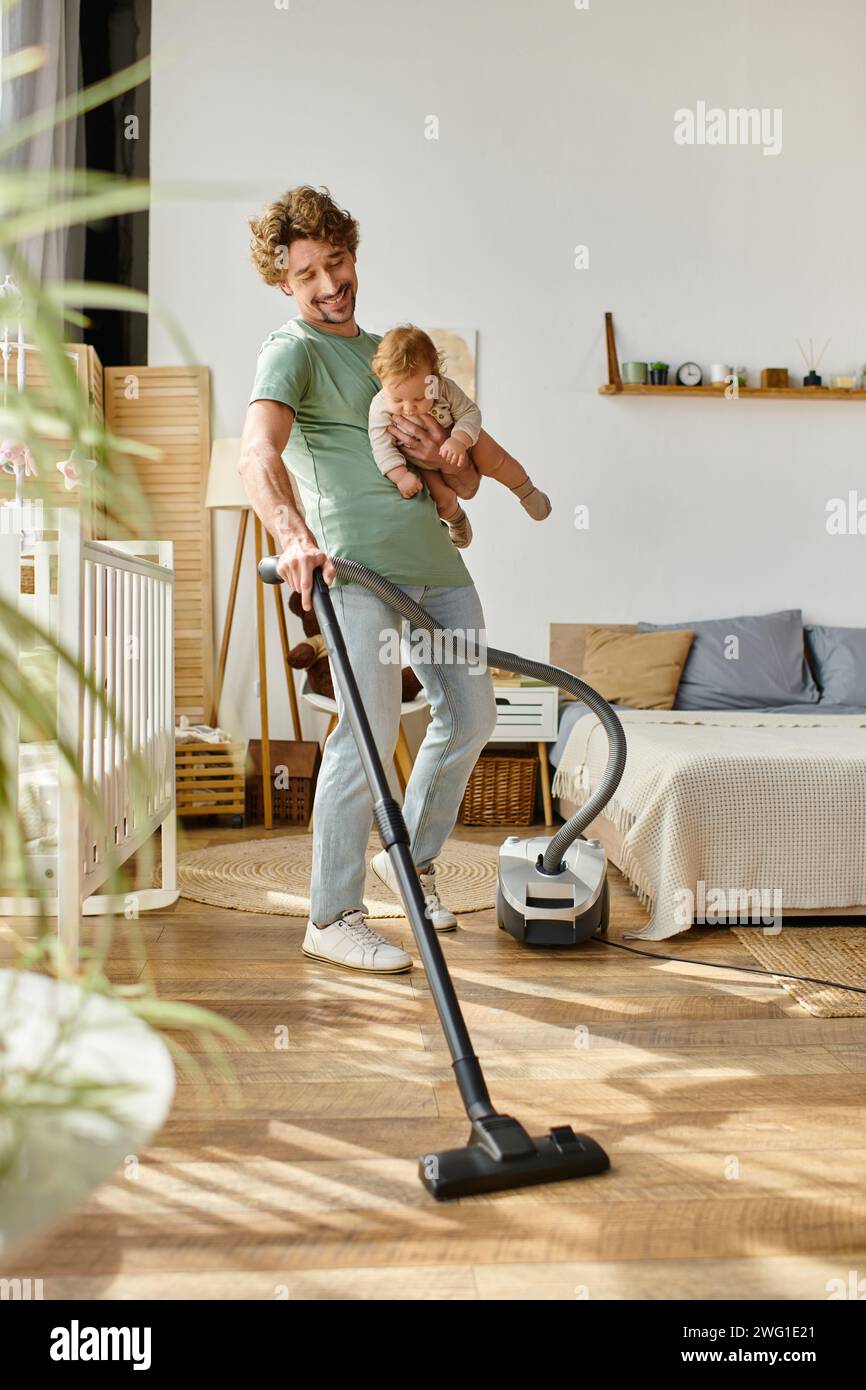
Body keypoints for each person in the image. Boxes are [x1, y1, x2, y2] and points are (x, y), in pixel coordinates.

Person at [239, 186, 499, 974]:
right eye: (308, 273)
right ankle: (332, 915)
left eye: (338, 262)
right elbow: (259, 451)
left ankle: (407, 860)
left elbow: (473, 478)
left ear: (354, 253)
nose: (328, 285)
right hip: (357, 573)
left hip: (436, 567)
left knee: (473, 715)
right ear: (285, 282)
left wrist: (452, 458)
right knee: (366, 730)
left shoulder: (393, 352)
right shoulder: (292, 350)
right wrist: (291, 537)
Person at [369, 324, 551, 551]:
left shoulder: (444, 388)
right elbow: (380, 446)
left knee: (498, 460)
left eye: (417, 398)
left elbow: (469, 413)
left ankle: (526, 491)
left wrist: (459, 440)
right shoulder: (379, 407)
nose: (408, 408)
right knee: (440, 499)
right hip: (421, 462)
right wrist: (400, 476)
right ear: (382, 381)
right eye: (398, 400)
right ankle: (457, 521)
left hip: (459, 436)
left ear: (433, 378)